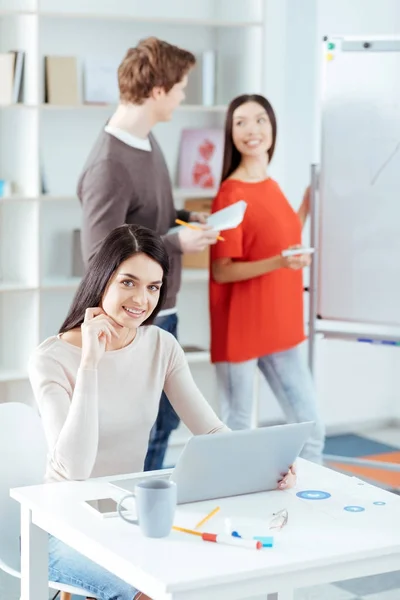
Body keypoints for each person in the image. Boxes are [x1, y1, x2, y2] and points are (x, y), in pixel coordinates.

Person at [28, 224, 296, 600]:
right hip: (63, 527)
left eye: (153, 287)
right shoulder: (51, 358)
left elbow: (212, 431)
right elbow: (74, 469)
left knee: (215, 573)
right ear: (103, 279)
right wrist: (90, 363)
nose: (141, 299)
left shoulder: (161, 346)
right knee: (151, 593)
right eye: (128, 282)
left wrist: (266, 464)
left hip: (130, 518)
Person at [77, 37, 219, 472]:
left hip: (161, 306)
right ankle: (138, 513)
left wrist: (184, 215)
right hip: (137, 313)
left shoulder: (146, 141)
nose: (182, 96)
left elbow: (145, 214)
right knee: (150, 427)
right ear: (158, 89)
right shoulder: (110, 164)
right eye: (180, 87)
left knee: (166, 421)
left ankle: (147, 508)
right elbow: (101, 254)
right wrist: (176, 243)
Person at [209, 94, 325, 464]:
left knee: (311, 432)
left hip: (280, 324)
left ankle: (308, 512)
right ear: (231, 133)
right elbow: (221, 269)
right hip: (241, 327)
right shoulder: (230, 193)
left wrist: (305, 209)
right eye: (240, 122)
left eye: (260, 120)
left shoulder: (271, 185)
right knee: (237, 428)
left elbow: (279, 242)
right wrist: (279, 261)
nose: (251, 129)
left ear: (272, 128)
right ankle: (232, 509)